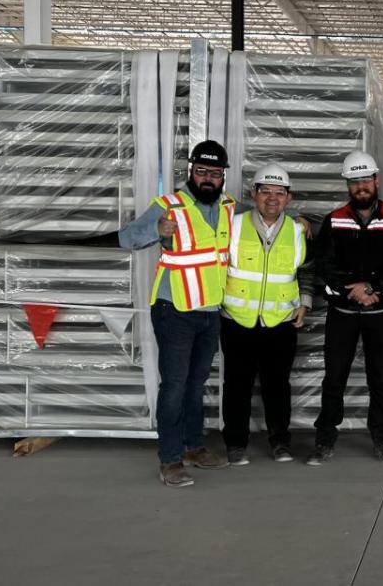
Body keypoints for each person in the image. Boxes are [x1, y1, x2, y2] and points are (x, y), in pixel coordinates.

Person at [119, 139, 234, 488]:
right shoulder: (169, 206)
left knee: (196, 385)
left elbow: (264, 214)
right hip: (174, 311)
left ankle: (194, 446)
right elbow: (126, 237)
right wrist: (156, 231)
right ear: (191, 172)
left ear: (223, 177)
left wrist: (301, 220)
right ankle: (170, 459)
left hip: (209, 311)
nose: (209, 179)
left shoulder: (229, 207)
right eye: (202, 172)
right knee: (174, 386)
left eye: (215, 173)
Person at [308, 151, 383, 465]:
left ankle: (382, 440)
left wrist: (372, 288)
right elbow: (323, 263)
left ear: (376, 181)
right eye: (354, 182)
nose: (361, 187)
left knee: (379, 379)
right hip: (343, 315)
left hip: (380, 314)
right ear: (348, 185)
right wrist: (352, 291)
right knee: (334, 378)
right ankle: (324, 440)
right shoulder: (335, 219)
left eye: (365, 180)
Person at [219, 164, 311, 467]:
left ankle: (280, 442)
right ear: (253, 194)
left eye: (279, 193)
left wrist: (305, 302)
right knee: (237, 385)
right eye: (266, 192)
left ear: (289, 197)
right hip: (237, 319)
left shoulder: (298, 230)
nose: (272, 198)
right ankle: (235, 444)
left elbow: (307, 270)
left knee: (277, 386)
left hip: (281, 322)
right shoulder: (233, 224)